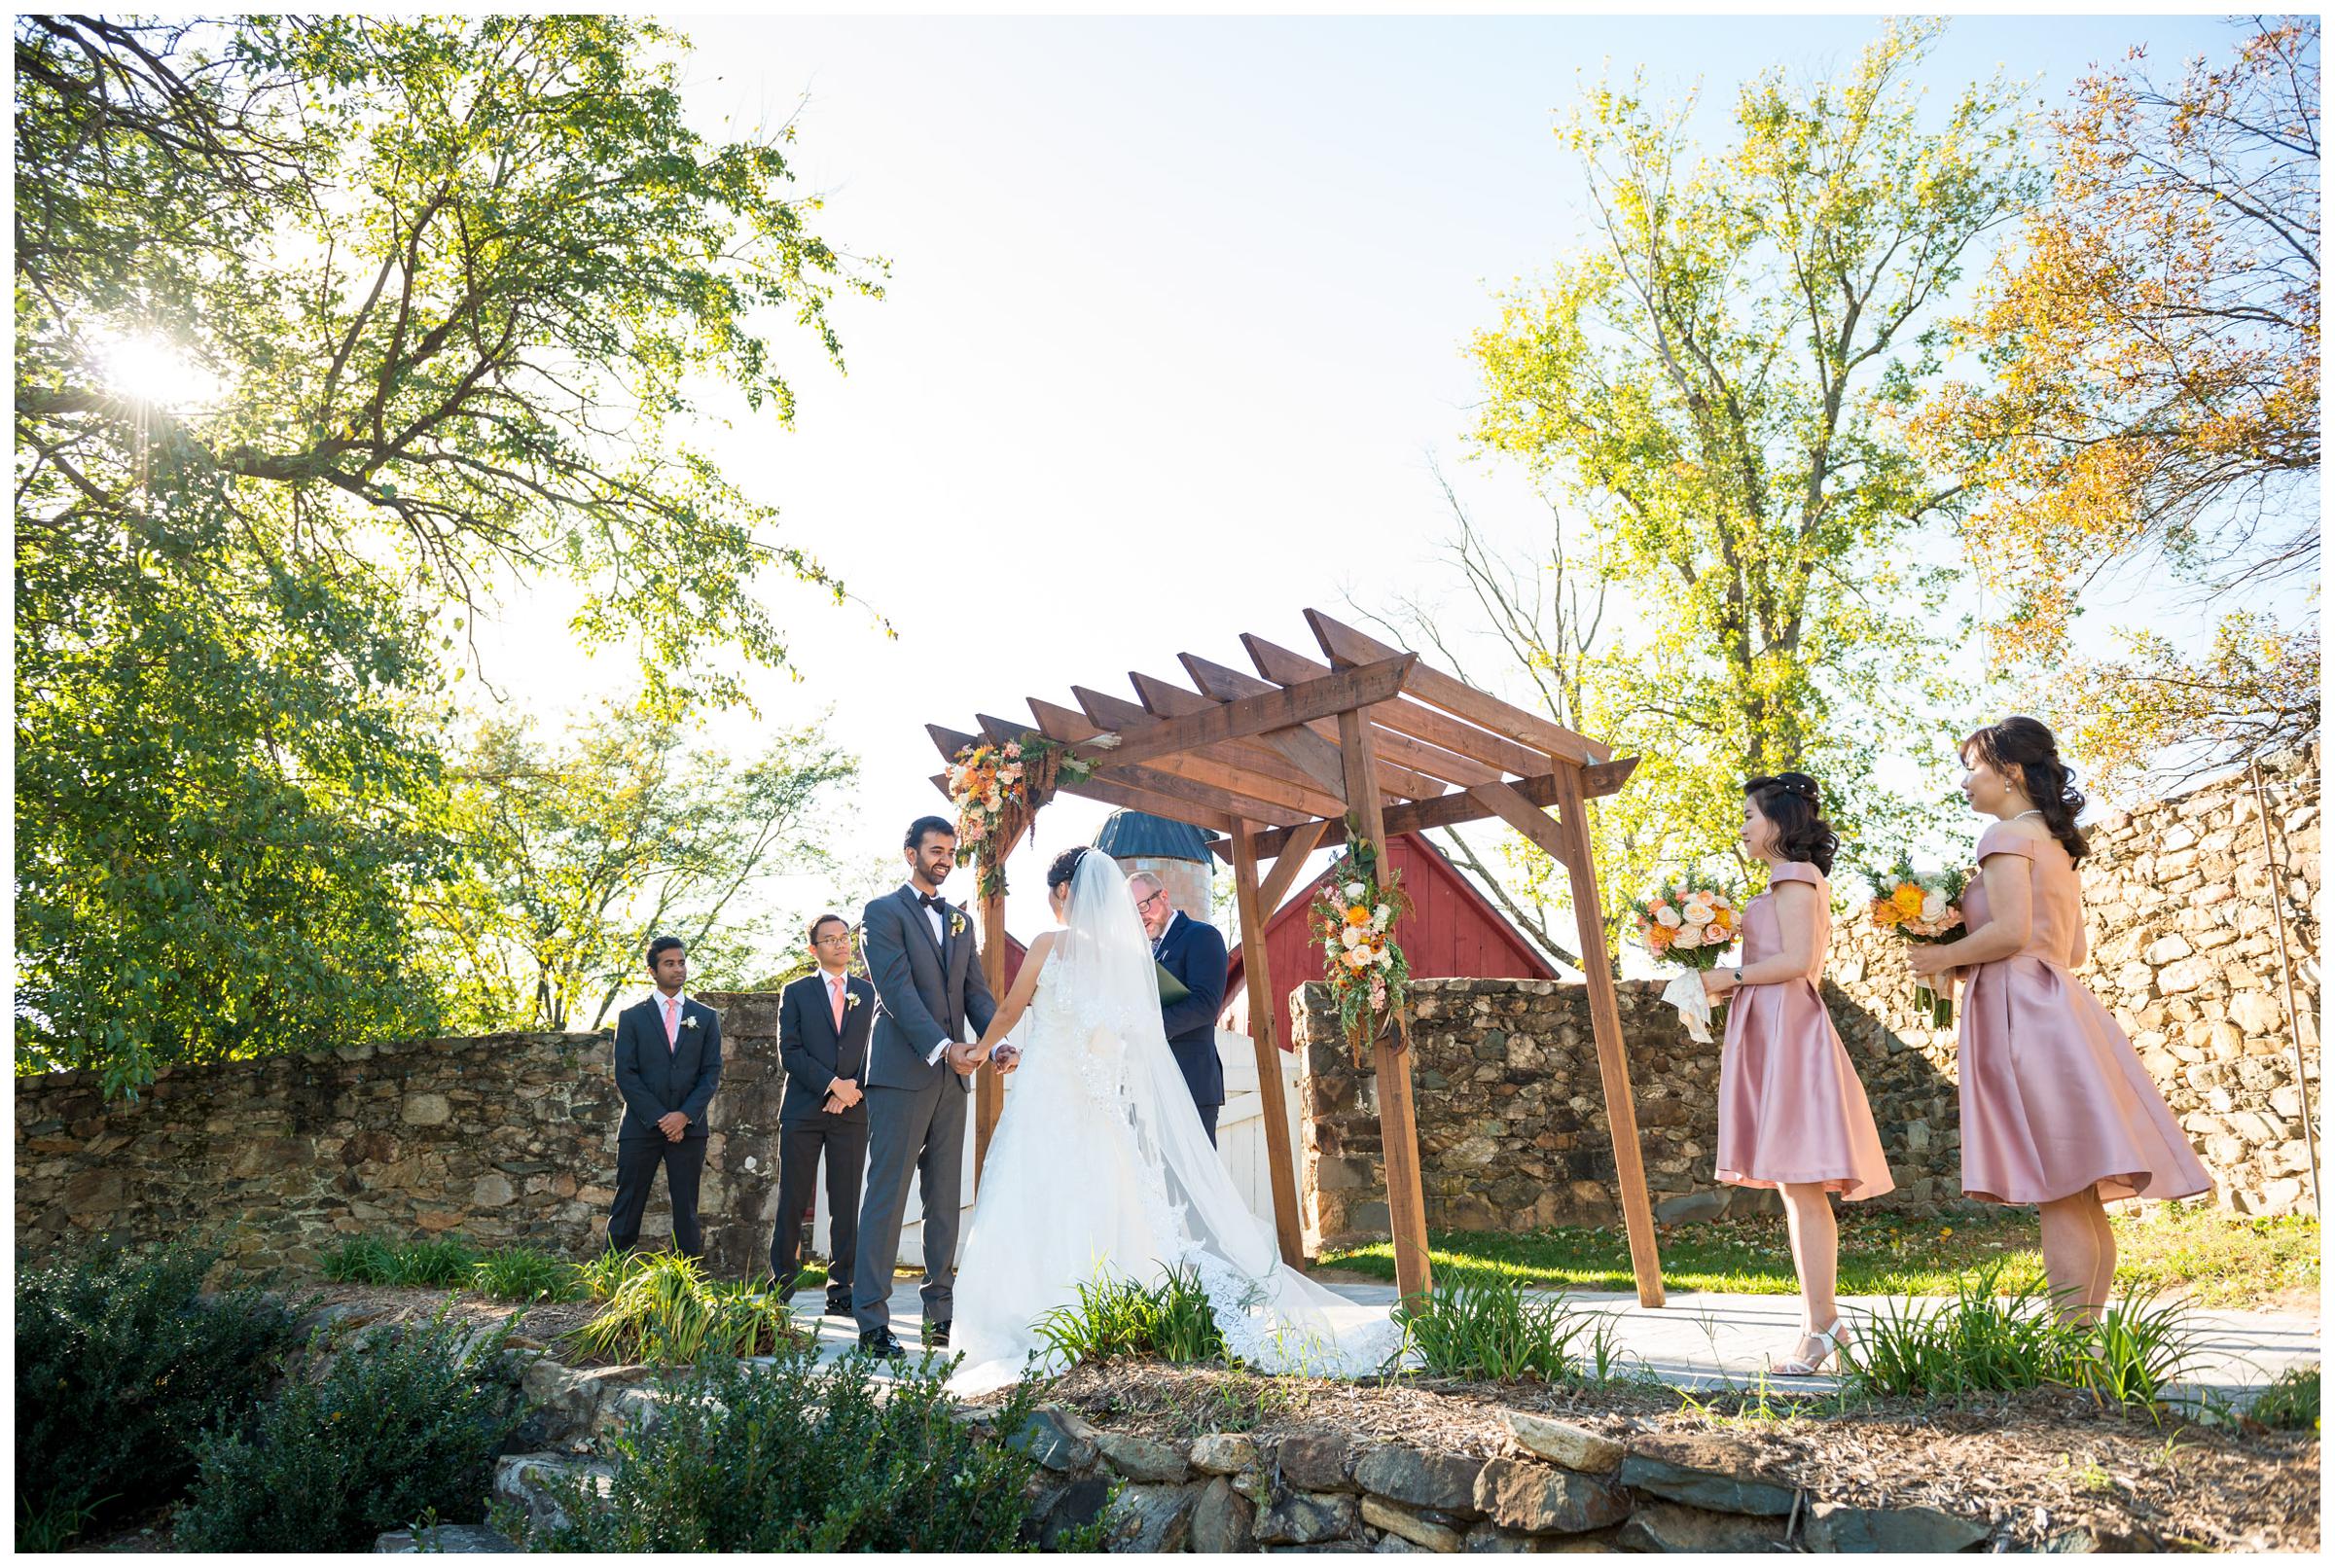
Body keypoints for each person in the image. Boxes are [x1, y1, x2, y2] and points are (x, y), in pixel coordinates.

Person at [947, 846, 1402, 1394]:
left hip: (1055, 1091)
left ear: (1064, 892)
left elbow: (1011, 1010)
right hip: (1091, 1097)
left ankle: (1033, 1315)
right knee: (1101, 1196)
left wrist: (983, 1048)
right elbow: (1113, 1033)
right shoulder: (1124, 957)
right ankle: (1100, 1310)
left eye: (1050, 893)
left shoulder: (1055, 945)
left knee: (1043, 1195)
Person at [1910, 717, 2211, 1323]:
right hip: (2061, 1005)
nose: (1965, 782)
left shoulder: (2002, 838)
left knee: (2057, 1187)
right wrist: (1974, 959)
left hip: (2020, 1015)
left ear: (2011, 772)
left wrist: (1942, 954)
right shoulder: (2052, 840)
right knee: (2077, 1192)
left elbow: (2012, 932)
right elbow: (2067, 951)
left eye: (1973, 767)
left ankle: (2071, 1349)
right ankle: (2088, 1344)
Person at [1701, 773, 1893, 1374]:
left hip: (1788, 1028)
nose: (1742, 828)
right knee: (1796, 1189)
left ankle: (1823, 1328)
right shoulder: (1786, 880)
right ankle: (1821, 1324)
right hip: (1771, 1024)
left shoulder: (1792, 876)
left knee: (1804, 1188)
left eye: (1750, 817)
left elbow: (1797, 961)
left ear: (1779, 825)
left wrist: (1723, 978)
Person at [849, 816, 1010, 1361]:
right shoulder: (881, 913)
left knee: (944, 1200)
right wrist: (945, 1046)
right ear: (910, 853)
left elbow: (977, 994)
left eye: (950, 851)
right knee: (887, 1196)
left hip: (953, 1079)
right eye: (935, 849)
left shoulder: (961, 921)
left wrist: (995, 1042)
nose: (944, 858)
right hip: (901, 1073)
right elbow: (895, 991)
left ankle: (940, 1316)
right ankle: (871, 1319)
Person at [772, 913, 876, 1315]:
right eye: (830, 939)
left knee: (846, 1200)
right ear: (813, 949)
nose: (841, 944)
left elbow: (875, 1049)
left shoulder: (869, 994)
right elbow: (790, 1051)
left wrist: (851, 1091)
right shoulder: (795, 992)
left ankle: (842, 1288)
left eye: (845, 937)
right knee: (792, 1198)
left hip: (851, 1110)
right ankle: (781, 1285)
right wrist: (833, 1084)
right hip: (803, 1109)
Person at [606, 935, 722, 1258]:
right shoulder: (631, 1018)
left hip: (690, 1129)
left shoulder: (706, 1017)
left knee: (686, 1210)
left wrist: (684, 1116)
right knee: (627, 1205)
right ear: (652, 971)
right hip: (640, 1128)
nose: (678, 969)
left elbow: (711, 1072)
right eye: (669, 963)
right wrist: (661, 1117)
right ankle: (611, 1278)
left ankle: (688, 1289)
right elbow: (625, 1075)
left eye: (682, 962)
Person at [1131, 870, 1230, 1144]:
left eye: (1143, 906)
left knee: (1196, 1185)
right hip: (1150, 1087)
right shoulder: (1142, 952)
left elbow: (1205, 1004)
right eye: (1133, 913)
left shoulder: (1202, 936)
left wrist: (1147, 1026)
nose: (1141, 917)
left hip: (1192, 1082)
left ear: (1163, 896)